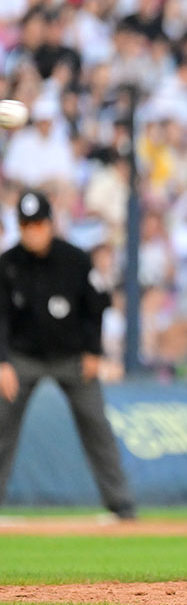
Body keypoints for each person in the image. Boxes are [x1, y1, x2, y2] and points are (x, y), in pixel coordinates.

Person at [0, 191, 136, 520]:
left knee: (96, 425)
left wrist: (94, 351)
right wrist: (2, 362)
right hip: (23, 358)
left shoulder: (74, 259)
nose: (33, 231)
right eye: (26, 225)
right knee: (1, 425)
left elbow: (96, 308)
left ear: (50, 224)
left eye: (38, 224)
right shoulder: (7, 264)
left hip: (73, 357)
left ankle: (121, 506)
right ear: (19, 226)